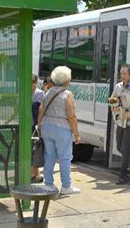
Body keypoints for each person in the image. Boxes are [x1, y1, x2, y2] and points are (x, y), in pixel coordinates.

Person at [37, 66, 82, 195]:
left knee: (49, 156)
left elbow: (41, 110)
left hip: (47, 127)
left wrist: (39, 126)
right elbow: (71, 116)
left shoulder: (49, 92)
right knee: (65, 157)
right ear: (67, 80)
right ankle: (66, 186)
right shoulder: (67, 95)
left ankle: (49, 185)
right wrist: (76, 134)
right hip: (62, 129)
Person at [110, 64, 130, 185]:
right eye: (121, 73)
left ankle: (123, 175)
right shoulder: (118, 86)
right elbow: (112, 100)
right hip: (120, 121)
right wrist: (115, 102)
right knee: (119, 147)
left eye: (125, 74)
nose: (122, 76)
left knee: (125, 148)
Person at [31, 74, 45, 183]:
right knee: (31, 150)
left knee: (34, 150)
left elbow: (42, 111)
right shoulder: (24, 92)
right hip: (26, 125)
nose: (31, 85)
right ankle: (36, 174)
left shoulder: (40, 94)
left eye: (33, 82)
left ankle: (34, 173)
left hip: (35, 126)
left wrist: (40, 125)